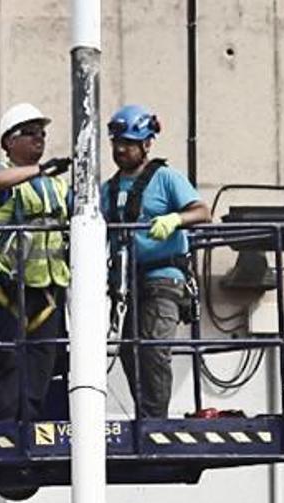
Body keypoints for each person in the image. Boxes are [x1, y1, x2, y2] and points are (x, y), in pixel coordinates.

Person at [100, 104, 210, 419]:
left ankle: (154, 421)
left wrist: (175, 219)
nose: (120, 150)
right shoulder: (109, 189)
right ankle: (147, 416)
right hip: (127, 281)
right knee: (129, 351)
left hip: (164, 278)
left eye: (129, 144)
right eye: (117, 143)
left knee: (153, 349)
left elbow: (202, 212)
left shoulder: (166, 179)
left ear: (147, 144)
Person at [0, 103, 72, 421]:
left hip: (47, 287)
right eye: (29, 133)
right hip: (7, 286)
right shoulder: (0, 173)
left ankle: (28, 423)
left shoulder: (57, 186)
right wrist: (41, 170)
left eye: (42, 133)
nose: (38, 139)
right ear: (8, 142)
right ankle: (3, 427)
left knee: (42, 360)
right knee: (6, 359)